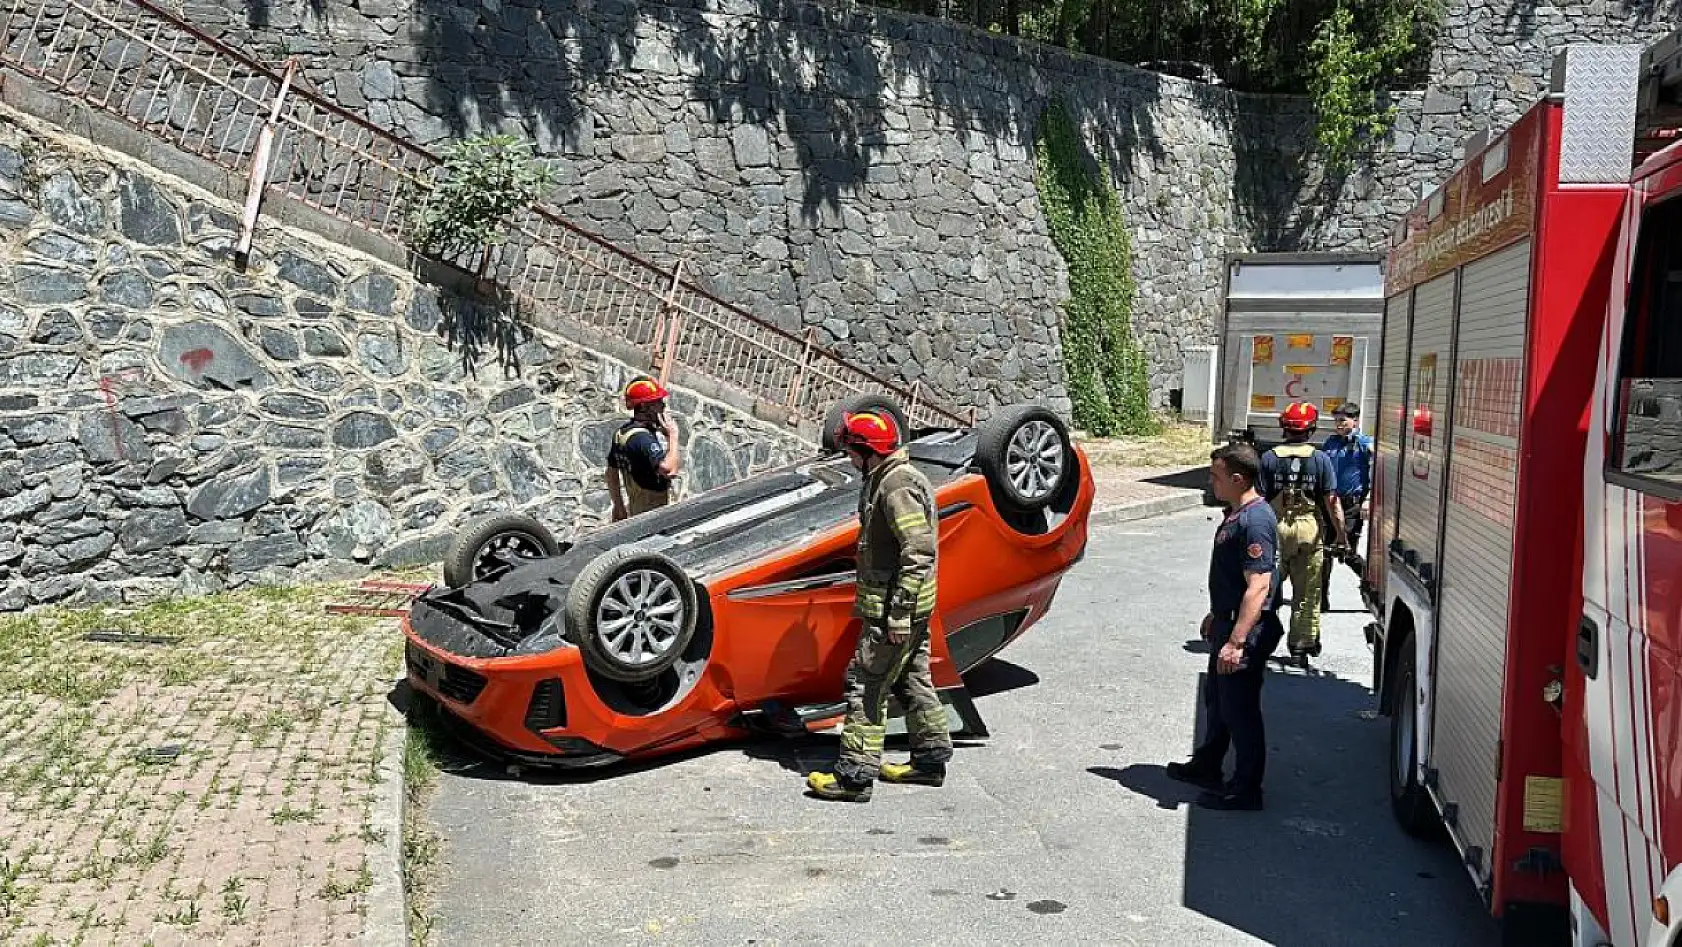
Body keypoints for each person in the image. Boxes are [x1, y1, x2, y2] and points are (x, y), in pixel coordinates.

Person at [806, 410, 951, 803]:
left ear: (868, 451)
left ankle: (854, 776)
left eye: (852, 450)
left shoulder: (895, 486)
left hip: (895, 609)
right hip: (911, 605)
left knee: (866, 683)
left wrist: (899, 614)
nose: (849, 458)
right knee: (911, 678)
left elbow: (918, 550)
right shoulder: (891, 477)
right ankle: (930, 758)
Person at [1166, 441, 1285, 811]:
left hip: (1243, 631)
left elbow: (1259, 585)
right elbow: (1232, 579)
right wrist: (1216, 614)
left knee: (1240, 710)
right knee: (1217, 701)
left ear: (1237, 478)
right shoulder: (1237, 512)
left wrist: (1236, 641)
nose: (1210, 482)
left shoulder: (1256, 521)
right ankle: (1207, 765)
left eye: (1216, 476)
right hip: (1227, 622)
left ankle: (1246, 789)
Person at [1259, 401, 1346, 664]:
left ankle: (1260, 639)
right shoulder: (1320, 459)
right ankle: (1301, 646)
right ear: (1312, 429)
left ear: (1283, 427)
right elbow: (1332, 501)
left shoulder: (1269, 458)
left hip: (1274, 528)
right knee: (1307, 592)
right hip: (1308, 529)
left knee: (1265, 589)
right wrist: (1341, 536)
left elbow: (1259, 498)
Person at [1319, 402, 1373, 611]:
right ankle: (1322, 597)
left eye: (1343, 420)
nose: (1339, 425)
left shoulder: (1363, 442)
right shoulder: (1331, 443)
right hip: (1330, 503)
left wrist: (1367, 500)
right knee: (1323, 552)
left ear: (1355, 420)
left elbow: (1377, 465)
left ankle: (1373, 584)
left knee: (1346, 551)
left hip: (1351, 504)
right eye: (1336, 421)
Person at [605, 376, 681, 521]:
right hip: (652, 512)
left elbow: (611, 472)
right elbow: (669, 470)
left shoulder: (622, 433)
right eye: (658, 402)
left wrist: (618, 505)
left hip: (636, 507)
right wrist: (673, 435)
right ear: (645, 407)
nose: (663, 406)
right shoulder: (642, 439)